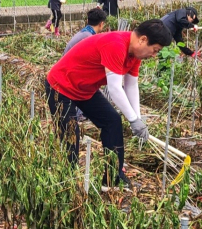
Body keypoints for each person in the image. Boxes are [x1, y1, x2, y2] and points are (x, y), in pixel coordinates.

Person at [45, 20, 172, 189]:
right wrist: (133, 119)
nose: (154, 55)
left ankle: (113, 178)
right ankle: (67, 183)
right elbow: (114, 88)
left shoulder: (134, 55)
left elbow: (131, 85)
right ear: (142, 40)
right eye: (155, 50)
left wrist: (138, 119)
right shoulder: (116, 45)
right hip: (61, 86)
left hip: (85, 89)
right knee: (71, 134)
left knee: (112, 121)